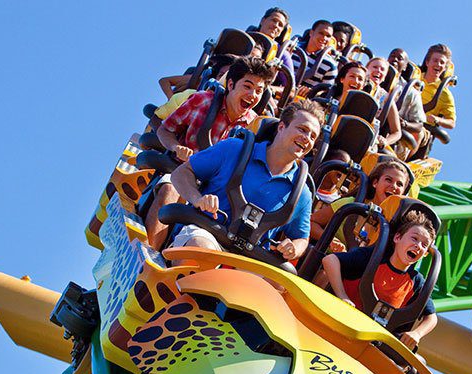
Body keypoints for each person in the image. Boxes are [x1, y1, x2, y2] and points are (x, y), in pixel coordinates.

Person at [145, 57, 276, 249]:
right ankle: (150, 253)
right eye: (247, 87)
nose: (252, 95)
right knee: (170, 189)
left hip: (215, 189)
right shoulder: (202, 101)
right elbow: (166, 130)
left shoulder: (254, 127)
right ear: (230, 84)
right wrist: (175, 147)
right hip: (182, 171)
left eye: (258, 91)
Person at [168, 100, 326, 261]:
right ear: (281, 127)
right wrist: (198, 199)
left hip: (248, 259)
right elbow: (182, 173)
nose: (307, 138)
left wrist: (294, 248)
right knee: (202, 249)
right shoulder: (233, 149)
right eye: (302, 129)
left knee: (275, 284)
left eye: (313, 136)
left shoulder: (302, 193)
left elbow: (301, 237)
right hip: (206, 235)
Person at [322, 210, 438, 350]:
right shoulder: (373, 258)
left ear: (425, 254)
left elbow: (432, 317)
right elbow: (330, 260)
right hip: (339, 323)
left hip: (371, 343)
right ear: (397, 238)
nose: (418, 246)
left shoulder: (416, 281)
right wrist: (342, 296)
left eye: (424, 245)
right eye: (414, 239)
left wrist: (417, 334)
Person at [311, 160, 410, 252]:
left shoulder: (392, 226)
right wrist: (331, 241)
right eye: (388, 180)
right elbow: (310, 223)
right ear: (375, 183)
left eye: (399, 184)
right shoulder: (350, 204)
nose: (394, 186)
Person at [387, 48, 426, 159]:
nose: (395, 59)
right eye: (392, 56)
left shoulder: (411, 92)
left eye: (400, 59)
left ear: (405, 66)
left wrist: (404, 124)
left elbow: (419, 126)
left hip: (395, 138)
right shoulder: (375, 78)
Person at [292, 20, 338, 96]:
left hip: (304, 103)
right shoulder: (293, 48)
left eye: (328, 36)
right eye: (321, 33)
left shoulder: (330, 65)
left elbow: (326, 92)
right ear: (311, 33)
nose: (324, 38)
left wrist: (312, 91)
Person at [365, 57, 402, 149]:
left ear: (384, 77)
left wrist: (385, 141)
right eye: (375, 67)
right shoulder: (355, 83)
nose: (378, 71)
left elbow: (397, 132)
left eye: (382, 70)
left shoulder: (385, 98)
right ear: (366, 70)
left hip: (368, 136)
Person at [420, 43, 456, 131]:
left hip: (422, 127)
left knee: (417, 132)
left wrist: (437, 120)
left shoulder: (444, 93)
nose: (438, 64)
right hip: (402, 118)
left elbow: (452, 122)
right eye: (435, 61)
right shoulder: (414, 77)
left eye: (442, 62)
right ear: (427, 62)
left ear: (444, 68)